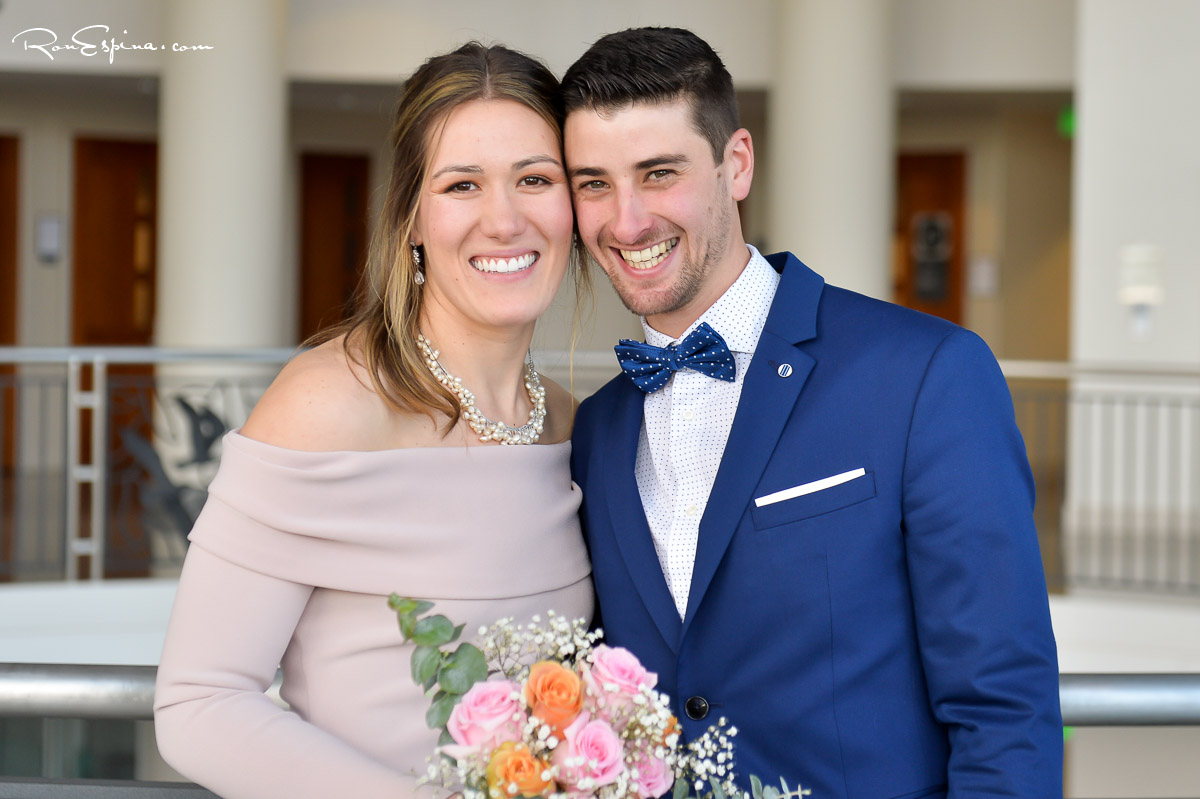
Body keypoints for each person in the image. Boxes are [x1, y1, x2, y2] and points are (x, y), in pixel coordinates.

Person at [563, 27, 1062, 799]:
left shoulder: (925, 374)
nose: (625, 222)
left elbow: (1002, 706)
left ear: (736, 165)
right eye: (593, 183)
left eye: (658, 173)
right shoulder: (595, 430)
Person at [153, 42, 592, 799]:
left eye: (535, 178)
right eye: (462, 184)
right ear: (412, 219)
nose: (505, 217)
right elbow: (199, 703)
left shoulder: (570, 424)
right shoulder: (326, 404)